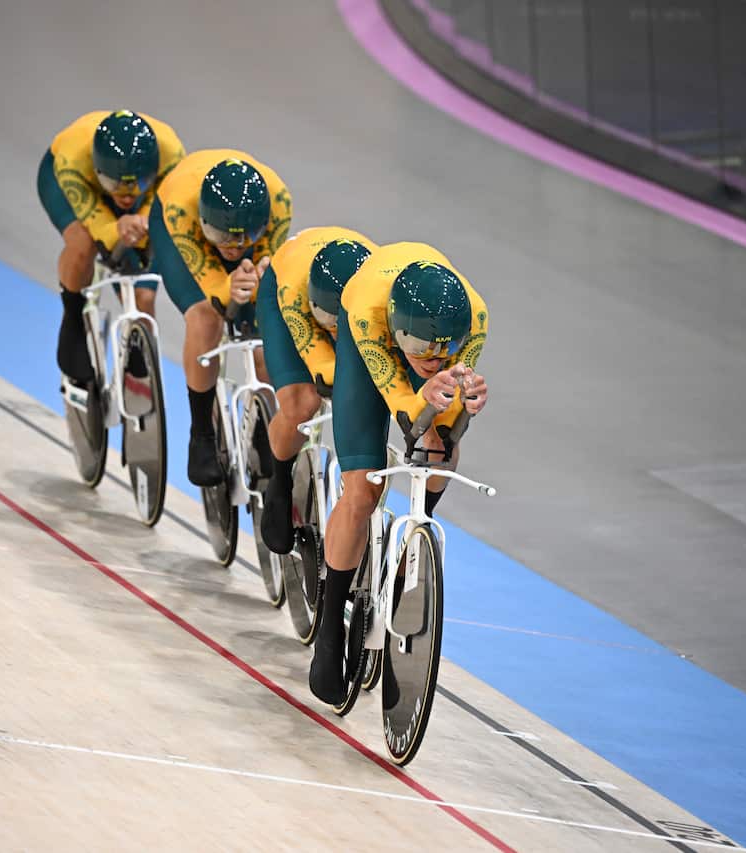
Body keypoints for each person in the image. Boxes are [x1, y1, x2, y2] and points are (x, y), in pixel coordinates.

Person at [308, 242, 490, 706]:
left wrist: (463, 409)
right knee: (363, 489)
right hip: (370, 349)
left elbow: (440, 416)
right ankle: (329, 628)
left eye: (442, 350)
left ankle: (413, 535)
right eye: (422, 350)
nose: (433, 358)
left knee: (442, 445)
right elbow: (402, 403)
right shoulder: (371, 316)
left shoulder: (475, 320)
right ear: (400, 330)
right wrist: (423, 398)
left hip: (411, 337)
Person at [147, 150, 292, 486]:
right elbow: (215, 288)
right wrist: (229, 289)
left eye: (243, 238)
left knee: (264, 329)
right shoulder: (182, 208)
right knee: (205, 317)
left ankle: (264, 422)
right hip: (179, 233)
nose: (232, 246)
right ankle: (201, 433)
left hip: (240, 232)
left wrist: (257, 278)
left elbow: (265, 267)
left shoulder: (279, 202)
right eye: (222, 238)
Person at [36, 110, 185, 385]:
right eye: (114, 185)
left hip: (144, 197)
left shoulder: (172, 154)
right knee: (84, 241)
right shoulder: (73, 157)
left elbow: (167, 206)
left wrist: (143, 223)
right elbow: (101, 228)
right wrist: (116, 227)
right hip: (71, 182)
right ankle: (72, 316)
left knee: (144, 294)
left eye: (137, 184)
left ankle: (139, 356)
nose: (126, 195)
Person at [254, 228, 378, 553]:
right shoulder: (295, 291)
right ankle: (278, 482)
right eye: (331, 323)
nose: (336, 332)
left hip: (359, 313)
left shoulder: (377, 299)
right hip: (286, 289)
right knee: (302, 402)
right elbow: (321, 365)